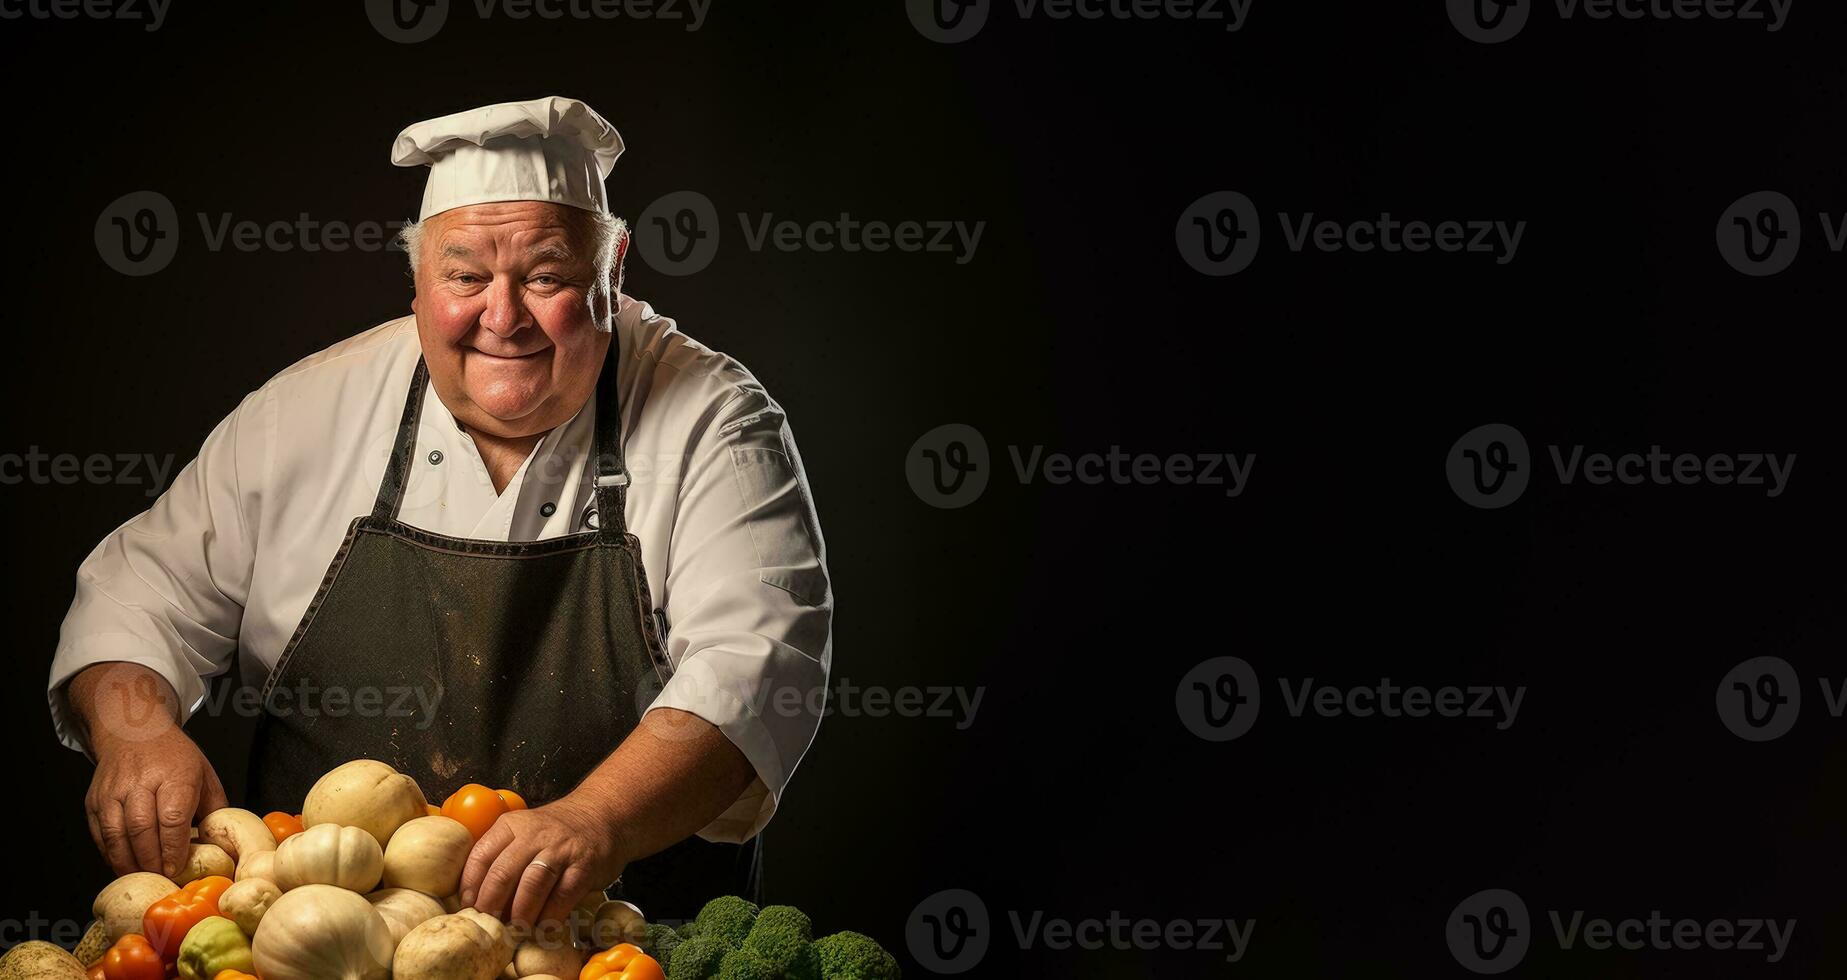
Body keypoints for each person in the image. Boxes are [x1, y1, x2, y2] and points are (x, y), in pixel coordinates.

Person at [46, 96, 830, 925]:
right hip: (330, 942)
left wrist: (594, 819)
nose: (503, 316)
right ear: (418, 280)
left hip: (618, 941)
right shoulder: (306, 410)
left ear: (616, 268)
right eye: (464, 276)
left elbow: (755, 664)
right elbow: (142, 591)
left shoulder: (714, 417)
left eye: (547, 276)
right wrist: (134, 732)